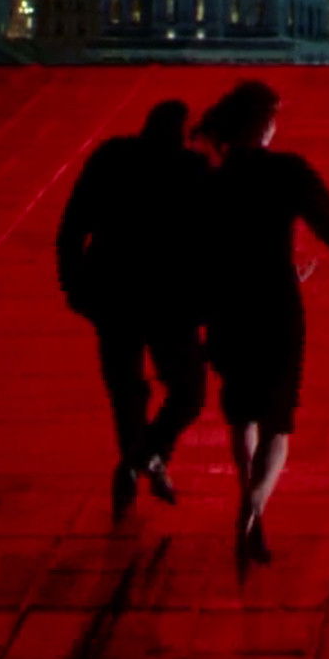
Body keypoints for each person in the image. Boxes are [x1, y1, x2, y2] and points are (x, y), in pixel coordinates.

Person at [195, 80, 329, 567]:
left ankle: (248, 500)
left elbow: (198, 250)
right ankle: (253, 506)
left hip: (228, 306)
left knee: (242, 412)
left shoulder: (211, 180)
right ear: (264, 126)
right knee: (279, 420)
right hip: (276, 303)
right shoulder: (288, 171)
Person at [56, 100, 210, 520]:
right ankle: (148, 454)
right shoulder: (192, 169)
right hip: (169, 301)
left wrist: (74, 284)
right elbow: (211, 243)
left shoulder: (111, 157)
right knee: (187, 391)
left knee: (127, 390)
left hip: (114, 293)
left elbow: (73, 225)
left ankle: (134, 460)